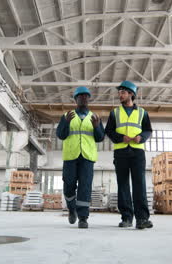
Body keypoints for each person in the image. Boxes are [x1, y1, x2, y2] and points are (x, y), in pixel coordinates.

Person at [105, 81, 153, 229]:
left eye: (123, 92)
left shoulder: (142, 113)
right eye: (119, 92)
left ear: (131, 94)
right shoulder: (114, 113)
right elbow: (109, 131)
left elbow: (148, 130)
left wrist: (141, 137)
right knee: (123, 185)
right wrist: (121, 138)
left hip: (137, 152)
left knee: (140, 184)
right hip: (121, 152)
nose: (120, 95)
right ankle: (126, 218)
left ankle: (142, 219)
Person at [56, 86, 104, 228]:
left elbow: (100, 137)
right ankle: (72, 209)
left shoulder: (94, 117)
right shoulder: (67, 116)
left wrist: (96, 127)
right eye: (80, 96)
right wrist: (66, 123)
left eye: (86, 96)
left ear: (89, 99)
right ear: (76, 99)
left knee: (85, 187)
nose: (83, 98)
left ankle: (83, 217)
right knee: (69, 186)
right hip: (71, 156)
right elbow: (60, 135)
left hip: (87, 157)